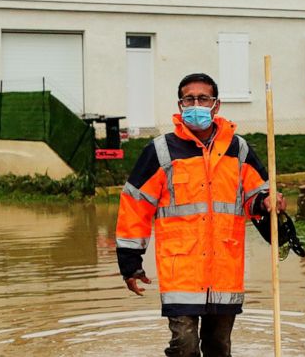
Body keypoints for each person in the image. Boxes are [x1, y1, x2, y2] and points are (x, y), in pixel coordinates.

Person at [116, 72, 285, 357]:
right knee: (185, 345)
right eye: (189, 99)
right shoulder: (161, 150)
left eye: (203, 98)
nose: (196, 104)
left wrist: (268, 203)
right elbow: (136, 204)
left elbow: (256, 196)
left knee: (219, 347)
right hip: (181, 271)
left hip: (224, 270)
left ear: (216, 105)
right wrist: (130, 261)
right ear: (180, 104)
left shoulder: (238, 149)